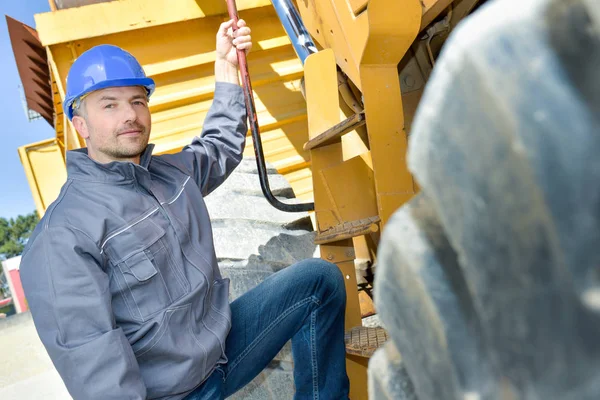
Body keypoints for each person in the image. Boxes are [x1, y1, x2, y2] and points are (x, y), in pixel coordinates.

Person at [20, 19, 349, 400]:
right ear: (81, 125)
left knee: (318, 282)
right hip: (175, 392)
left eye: (137, 101)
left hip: (224, 351)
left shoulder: (172, 174)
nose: (129, 115)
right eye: (109, 105)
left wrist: (226, 67)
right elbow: (97, 372)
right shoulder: (62, 235)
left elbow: (220, 144)